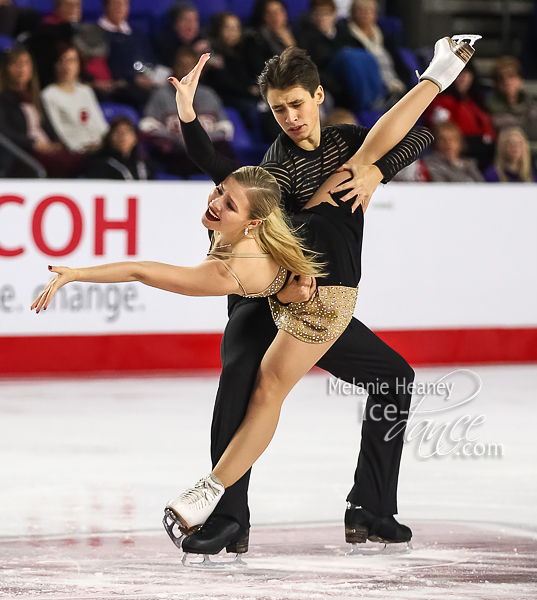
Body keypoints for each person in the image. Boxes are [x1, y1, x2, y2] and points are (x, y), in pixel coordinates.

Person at [161, 37, 476, 559]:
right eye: (278, 109)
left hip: (320, 303)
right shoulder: (274, 171)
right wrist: (189, 116)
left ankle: (370, 509)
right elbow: (216, 165)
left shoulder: (350, 146)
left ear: (319, 96)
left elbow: (416, 136)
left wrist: (377, 169)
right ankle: (226, 518)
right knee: (240, 380)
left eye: (297, 104)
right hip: (263, 298)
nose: (288, 117)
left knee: (393, 378)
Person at [141, 46, 234, 179]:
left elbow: (225, 129)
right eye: (181, 65)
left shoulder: (209, 95)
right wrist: (179, 140)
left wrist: (201, 141)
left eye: (191, 66)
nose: (186, 70)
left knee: (225, 152)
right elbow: (148, 127)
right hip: (174, 153)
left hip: (206, 152)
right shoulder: (161, 95)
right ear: (174, 67)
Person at [0, 45, 86, 178]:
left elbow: (49, 128)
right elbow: (4, 133)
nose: (21, 69)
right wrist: (33, 144)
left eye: (26, 63)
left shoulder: (35, 98)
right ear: (5, 68)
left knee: (85, 160)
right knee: (71, 164)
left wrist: (58, 144)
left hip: (46, 150)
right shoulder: (3, 99)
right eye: (16, 64)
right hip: (23, 155)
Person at [425, 63, 495, 170]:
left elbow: (488, 129)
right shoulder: (440, 101)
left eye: (466, 74)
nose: (463, 78)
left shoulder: (477, 101)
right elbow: (443, 131)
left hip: (481, 147)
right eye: (459, 74)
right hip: (459, 148)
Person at [41, 44, 109, 154]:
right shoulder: (49, 94)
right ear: (54, 64)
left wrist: (107, 143)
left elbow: (100, 124)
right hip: (76, 150)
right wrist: (79, 148)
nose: (66, 66)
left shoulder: (85, 91)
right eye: (61, 61)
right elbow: (58, 130)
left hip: (100, 147)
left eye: (71, 61)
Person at [486, 56, 537, 142]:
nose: (507, 81)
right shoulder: (488, 107)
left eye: (511, 76)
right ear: (496, 83)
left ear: (519, 79)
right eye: (501, 78)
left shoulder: (532, 105)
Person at [85, 116, 154, 180]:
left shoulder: (145, 164)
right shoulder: (101, 165)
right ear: (109, 137)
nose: (122, 136)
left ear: (135, 138)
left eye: (127, 132)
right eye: (118, 132)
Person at [154, 1, 211, 69]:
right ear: (174, 24)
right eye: (185, 20)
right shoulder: (163, 44)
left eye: (195, 20)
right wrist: (192, 52)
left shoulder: (202, 38)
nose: (191, 26)